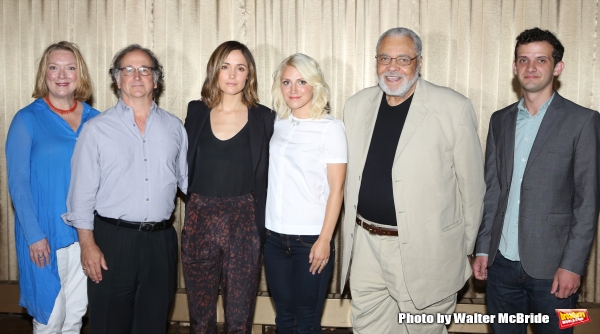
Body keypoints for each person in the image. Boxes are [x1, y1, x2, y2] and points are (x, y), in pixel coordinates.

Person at [340, 27, 486, 334]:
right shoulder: (356, 106)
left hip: (427, 252)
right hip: (365, 246)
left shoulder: (452, 108)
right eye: (385, 58)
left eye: (402, 58)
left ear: (418, 62)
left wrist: (465, 250)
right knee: (368, 328)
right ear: (375, 62)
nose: (392, 66)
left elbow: (472, 190)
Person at [473, 28, 600, 334]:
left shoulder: (583, 121)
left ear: (557, 67)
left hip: (555, 268)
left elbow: (588, 202)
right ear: (515, 67)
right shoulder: (499, 120)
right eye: (523, 60)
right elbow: (493, 190)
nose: (531, 67)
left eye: (540, 60)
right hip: (500, 264)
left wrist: (572, 266)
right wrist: (482, 248)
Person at [62, 44, 188, 333]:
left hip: (161, 243)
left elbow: (189, 182)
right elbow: (80, 194)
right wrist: (87, 245)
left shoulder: (174, 128)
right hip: (111, 242)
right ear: (116, 80)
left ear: (156, 80)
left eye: (145, 70)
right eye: (128, 70)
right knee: (108, 324)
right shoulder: (96, 129)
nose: (136, 75)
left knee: (153, 324)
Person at [5, 41, 99, 333]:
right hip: (43, 234)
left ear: (79, 74)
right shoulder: (27, 119)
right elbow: (18, 183)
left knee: (75, 314)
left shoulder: (95, 120)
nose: (62, 75)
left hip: (86, 234)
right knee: (50, 316)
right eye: (54, 67)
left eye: (70, 68)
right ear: (43, 74)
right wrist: (34, 235)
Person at [182, 40, 275, 333]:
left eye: (240, 68)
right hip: (199, 218)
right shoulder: (196, 112)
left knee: (239, 317)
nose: (232, 75)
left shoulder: (264, 117)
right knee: (200, 317)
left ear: (249, 75)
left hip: (244, 220)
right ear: (215, 71)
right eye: (225, 67)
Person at [264, 53, 347, 333]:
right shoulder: (277, 123)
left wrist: (325, 239)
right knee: (284, 318)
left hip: (311, 240)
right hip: (274, 239)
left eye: (301, 82)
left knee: (307, 321)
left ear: (315, 85)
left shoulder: (331, 129)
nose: (294, 90)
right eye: (287, 82)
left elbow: (337, 190)